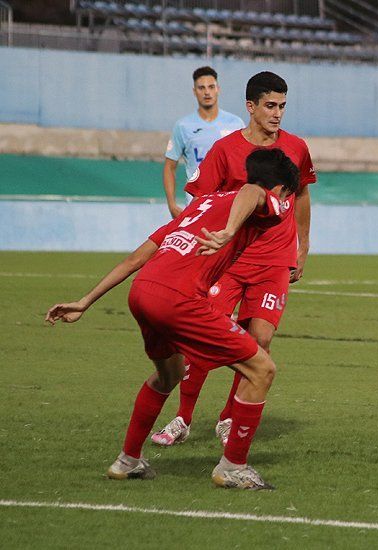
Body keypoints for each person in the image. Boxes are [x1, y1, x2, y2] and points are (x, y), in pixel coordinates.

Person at [45, 148, 302, 490]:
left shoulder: (200, 205)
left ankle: (128, 460)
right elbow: (252, 192)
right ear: (281, 189)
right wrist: (228, 231)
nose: (285, 202)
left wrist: (85, 301)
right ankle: (233, 467)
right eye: (286, 194)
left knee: (169, 374)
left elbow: (138, 256)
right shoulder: (268, 198)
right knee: (262, 368)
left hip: (142, 292)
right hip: (178, 298)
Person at [151, 71, 316, 448]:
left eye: (283, 106)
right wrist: (183, 247)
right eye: (270, 106)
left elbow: (302, 194)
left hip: (274, 260)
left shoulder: (297, 147)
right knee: (204, 340)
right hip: (229, 260)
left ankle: (228, 417)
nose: (277, 114)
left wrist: (303, 247)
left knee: (259, 341)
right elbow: (201, 204)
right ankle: (183, 418)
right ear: (251, 107)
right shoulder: (225, 150)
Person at [163, 66, 244, 218]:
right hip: (197, 207)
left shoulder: (236, 124)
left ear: (218, 89)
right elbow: (169, 167)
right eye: (201, 88)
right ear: (194, 91)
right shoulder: (183, 126)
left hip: (231, 206)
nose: (207, 92)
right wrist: (172, 204)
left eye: (211, 87)